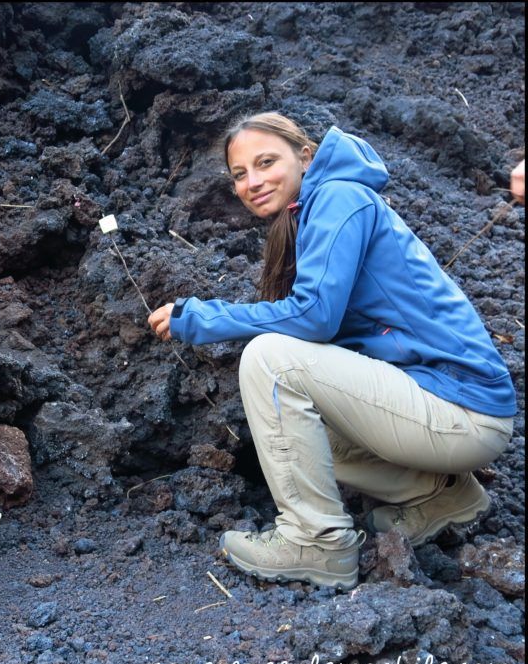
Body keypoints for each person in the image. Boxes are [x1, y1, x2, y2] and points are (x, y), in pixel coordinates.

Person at [147, 113, 516, 590]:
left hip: (463, 413)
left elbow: (314, 316)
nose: (253, 181)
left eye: (265, 162)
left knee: (271, 359)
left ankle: (315, 542)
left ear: (305, 155)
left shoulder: (339, 199)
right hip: (441, 408)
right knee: (293, 419)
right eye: (240, 174)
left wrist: (202, 318)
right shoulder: (316, 206)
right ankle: (440, 494)